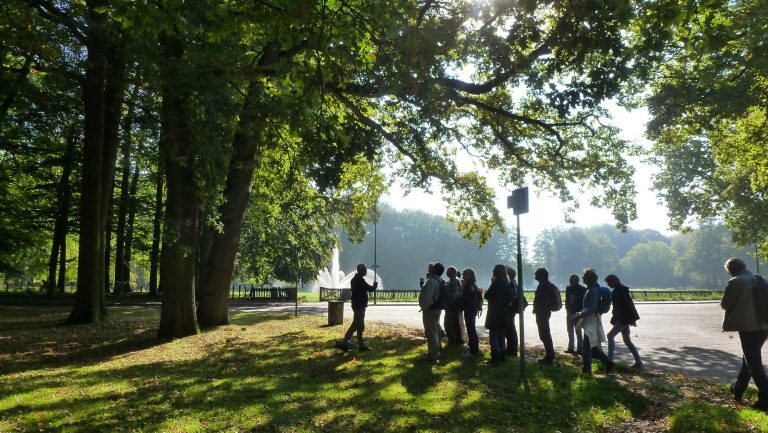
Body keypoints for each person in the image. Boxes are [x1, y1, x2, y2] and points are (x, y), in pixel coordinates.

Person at [721, 258, 768, 411]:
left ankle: (765, 399)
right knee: (749, 358)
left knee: (754, 363)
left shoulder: (735, 282)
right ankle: (738, 389)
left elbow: (725, 304)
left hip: (748, 327)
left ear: (731, 270)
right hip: (764, 326)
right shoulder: (761, 279)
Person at [572, 269, 613, 375]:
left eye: (584, 276)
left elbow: (592, 308)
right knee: (592, 346)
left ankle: (587, 369)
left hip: (591, 320)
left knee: (587, 346)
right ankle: (606, 362)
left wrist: (580, 315)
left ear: (588, 279)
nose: (582, 278)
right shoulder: (591, 289)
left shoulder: (593, 290)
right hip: (591, 319)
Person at [336, 263, 378, 351]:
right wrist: (375, 286)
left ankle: (361, 345)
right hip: (359, 306)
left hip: (358, 305)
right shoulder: (360, 280)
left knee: (360, 325)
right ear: (361, 270)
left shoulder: (355, 279)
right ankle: (344, 342)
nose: (366, 271)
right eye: (365, 269)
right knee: (356, 324)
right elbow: (370, 289)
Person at [605, 274, 642, 369]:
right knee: (627, 340)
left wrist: (621, 318)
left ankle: (609, 360)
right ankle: (638, 362)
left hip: (623, 319)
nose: (608, 285)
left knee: (610, 336)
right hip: (625, 318)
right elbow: (628, 305)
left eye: (609, 283)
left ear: (614, 281)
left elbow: (623, 306)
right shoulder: (621, 290)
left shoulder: (618, 291)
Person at [484, 264, 511, 364]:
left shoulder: (497, 282)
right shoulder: (506, 282)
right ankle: (502, 355)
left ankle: (495, 357)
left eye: (494, 270)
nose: (492, 272)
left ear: (497, 271)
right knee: (501, 334)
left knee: (494, 334)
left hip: (495, 312)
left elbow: (487, 295)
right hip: (503, 312)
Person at [419, 262, 445, 363]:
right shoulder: (440, 280)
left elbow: (427, 297)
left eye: (431, 268)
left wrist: (425, 307)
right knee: (434, 331)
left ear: (434, 270)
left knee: (430, 332)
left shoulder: (432, 282)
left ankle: (432, 355)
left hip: (430, 310)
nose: (429, 270)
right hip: (436, 308)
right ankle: (436, 350)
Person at [532, 267, 558, 364]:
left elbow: (543, 300)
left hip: (542, 313)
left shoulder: (544, 286)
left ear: (541, 275)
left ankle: (550, 356)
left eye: (536, 274)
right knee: (544, 334)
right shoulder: (544, 285)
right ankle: (549, 355)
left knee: (544, 334)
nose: (535, 276)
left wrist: (538, 308)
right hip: (543, 312)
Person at [564, 274, 586, 355]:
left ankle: (580, 348)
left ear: (576, 280)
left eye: (571, 279)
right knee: (570, 330)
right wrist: (567, 308)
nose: (569, 280)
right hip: (570, 311)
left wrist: (575, 298)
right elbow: (567, 299)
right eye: (570, 279)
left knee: (578, 330)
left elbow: (583, 300)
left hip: (577, 312)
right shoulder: (568, 288)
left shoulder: (583, 289)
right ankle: (571, 348)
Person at [461, 267, 481, 356]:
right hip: (473, 309)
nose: (462, 276)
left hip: (469, 309)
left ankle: (473, 349)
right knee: (471, 328)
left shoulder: (468, 285)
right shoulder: (474, 284)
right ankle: (474, 347)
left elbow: (466, 298)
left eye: (464, 274)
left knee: (471, 328)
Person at [444, 266, 464, 346]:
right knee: (455, 323)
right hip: (455, 305)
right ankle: (458, 340)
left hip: (452, 306)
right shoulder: (454, 280)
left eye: (448, 272)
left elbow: (455, 294)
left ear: (453, 272)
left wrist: (449, 302)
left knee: (448, 324)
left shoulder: (454, 281)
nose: (446, 273)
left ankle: (452, 341)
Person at [505, 266, 519, 357]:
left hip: (509, 310)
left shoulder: (511, 283)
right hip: (510, 310)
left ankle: (512, 350)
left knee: (510, 330)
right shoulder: (513, 283)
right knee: (510, 329)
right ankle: (511, 349)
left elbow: (511, 297)